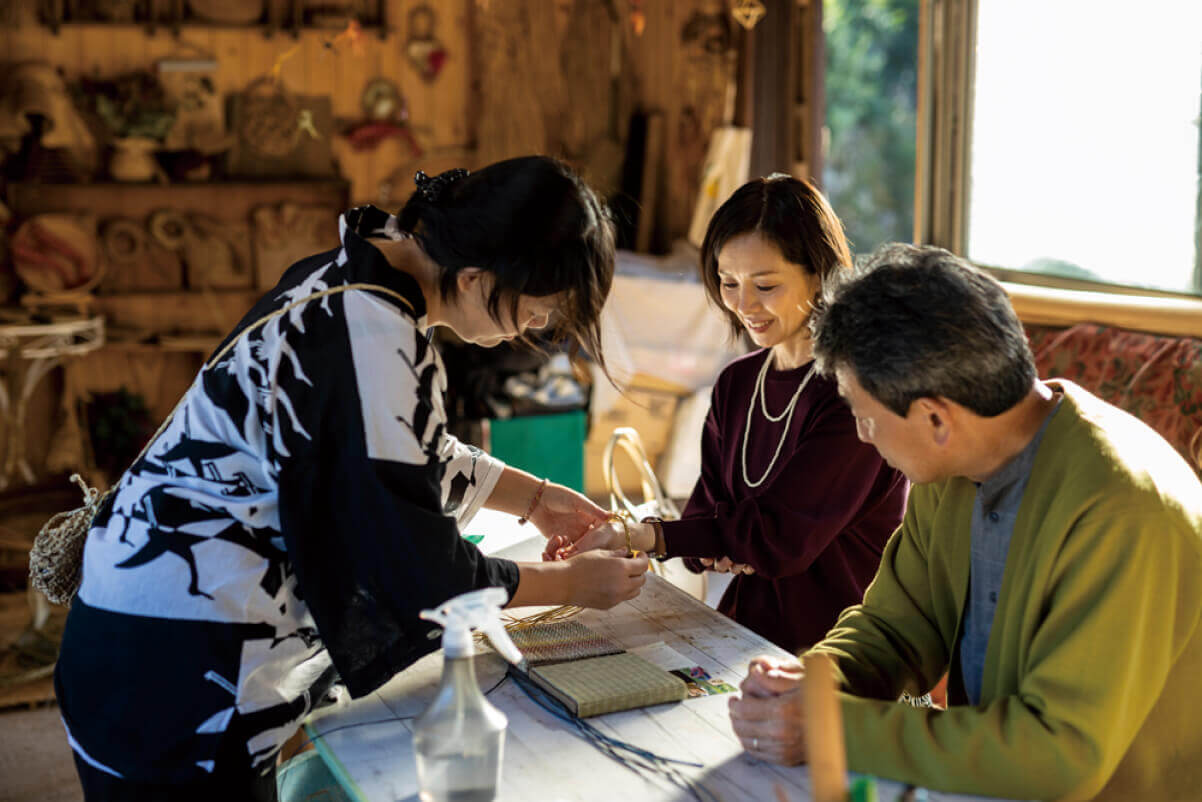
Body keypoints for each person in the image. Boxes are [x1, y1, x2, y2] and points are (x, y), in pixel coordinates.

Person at [54, 156, 650, 801]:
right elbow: (415, 569)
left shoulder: (353, 276)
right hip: (180, 667)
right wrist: (570, 584)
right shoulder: (370, 331)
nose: (535, 328)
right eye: (538, 309)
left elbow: (381, 449)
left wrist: (536, 500)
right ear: (477, 277)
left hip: (141, 630)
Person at [728, 244, 1202, 801]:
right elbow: (896, 626)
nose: (861, 435)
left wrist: (832, 728)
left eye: (863, 416)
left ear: (935, 417)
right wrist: (818, 681)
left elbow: (1058, 758)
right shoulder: (953, 466)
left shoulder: (1123, 512)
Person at [551, 175, 908, 654]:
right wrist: (717, 539)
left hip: (838, 655)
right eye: (727, 283)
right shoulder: (738, 383)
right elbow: (705, 515)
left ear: (820, 274)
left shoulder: (854, 395)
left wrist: (644, 535)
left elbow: (777, 540)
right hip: (743, 637)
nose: (742, 305)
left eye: (766, 285)